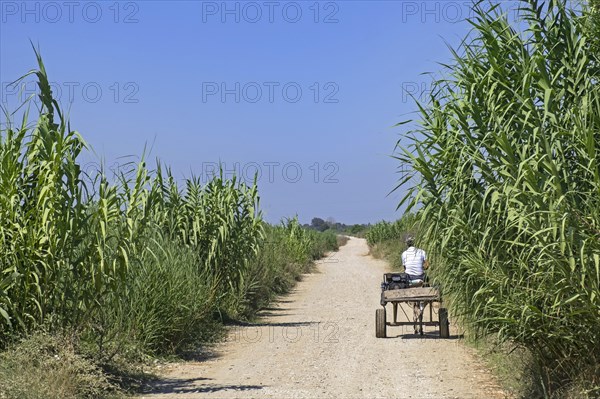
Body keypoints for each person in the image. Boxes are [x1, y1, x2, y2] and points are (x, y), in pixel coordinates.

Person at [401, 235, 429, 335]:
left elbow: (405, 268)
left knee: (413, 302)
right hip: (420, 279)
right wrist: (422, 268)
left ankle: (415, 316)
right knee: (426, 282)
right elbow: (426, 265)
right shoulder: (422, 252)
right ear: (415, 243)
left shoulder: (404, 254)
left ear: (407, 244)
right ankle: (420, 311)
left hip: (409, 281)